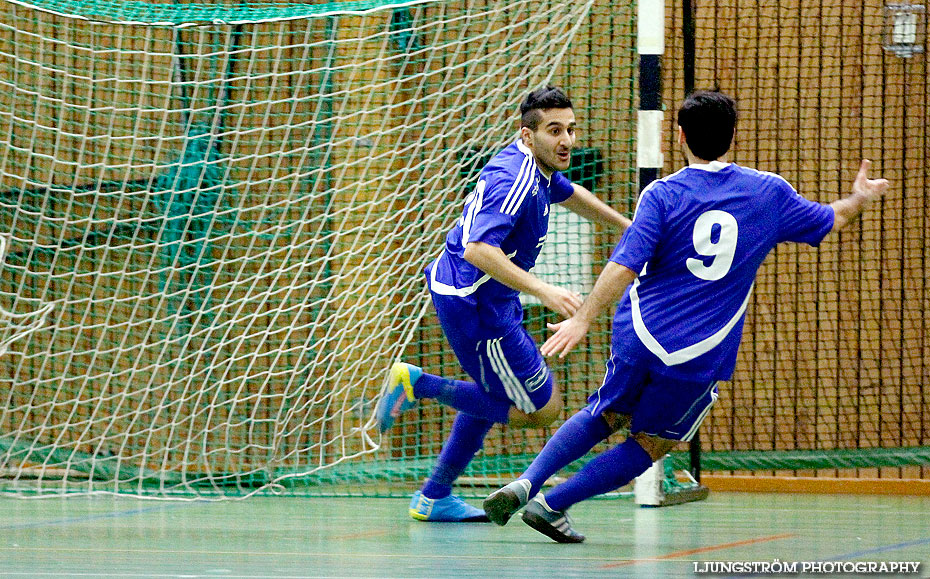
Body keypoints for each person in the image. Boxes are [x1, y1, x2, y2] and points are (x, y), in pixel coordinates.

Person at [481, 90, 890, 542]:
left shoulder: (661, 193)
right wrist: (860, 198)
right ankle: (553, 504)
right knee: (652, 442)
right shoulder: (766, 192)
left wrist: (584, 318)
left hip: (640, 333)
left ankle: (528, 480)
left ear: (680, 137)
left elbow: (623, 265)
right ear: (733, 135)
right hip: (700, 351)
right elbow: (832, 219)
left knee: (604, 412)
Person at [375, 86, 632, 522]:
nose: (566, 139)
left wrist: (630, 227)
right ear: (528, 136)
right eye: (554, 130)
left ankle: (434, 494)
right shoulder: (515, 180)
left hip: (487, 297)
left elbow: (572, 194)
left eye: (570, 129)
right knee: (541, 410)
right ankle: (419, 385)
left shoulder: (540, 169)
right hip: (475, 306)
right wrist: (545, 290)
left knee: (494, 393)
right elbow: (478, 249)